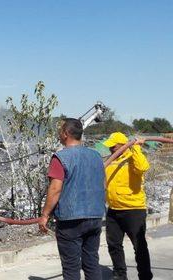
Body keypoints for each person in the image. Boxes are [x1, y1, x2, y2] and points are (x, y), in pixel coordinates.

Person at [39, 118, 106, 280]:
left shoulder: (60, 157)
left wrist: (45, 215)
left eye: (60, 131)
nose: (59, 134)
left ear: (66, 133)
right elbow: (103, 185)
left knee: (71, 267)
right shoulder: (96, 156)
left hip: (71, 221)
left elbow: (55, 189)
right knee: (91, 263)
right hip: (95, 217)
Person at [103, 132, 152, 280]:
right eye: (110, 147)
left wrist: (136, 148)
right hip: (113, 209)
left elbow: (143, 167)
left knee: (139, 246)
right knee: (113, 244)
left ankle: (145, 276)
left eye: (114, 146)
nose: (111, 149)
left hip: (133, 210)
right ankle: (119, 274)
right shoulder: (110, 161)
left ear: (123, 146)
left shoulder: (133, 158)